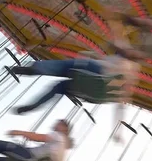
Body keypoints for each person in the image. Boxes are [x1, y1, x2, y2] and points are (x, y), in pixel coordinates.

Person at [8, 42, 140, 140]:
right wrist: (118, 131)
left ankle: (35, 70)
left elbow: (117, 45)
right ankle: (33, 105)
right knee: (60, 87)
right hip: (94, 93)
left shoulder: (123, 61)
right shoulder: (128, 83)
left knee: (69, 65)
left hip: (95, 76)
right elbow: (120, 108)